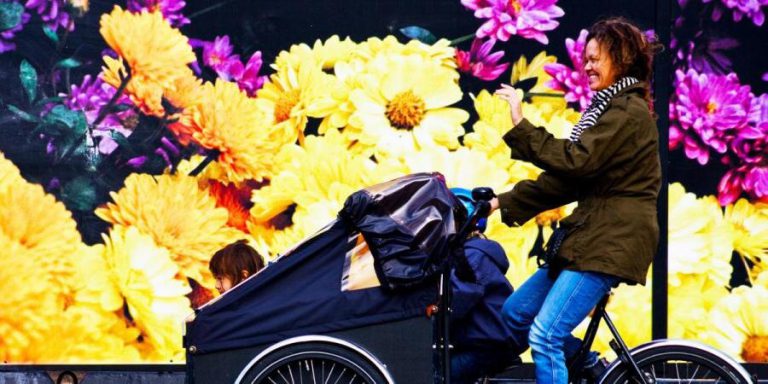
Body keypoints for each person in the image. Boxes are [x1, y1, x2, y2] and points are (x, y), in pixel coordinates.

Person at [490, 17, 662, 384]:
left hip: (611, 240)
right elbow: (567, 181)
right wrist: (498, 203)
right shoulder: (607, 111)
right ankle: (591, 366)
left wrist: (521, 124)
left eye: (596, 59)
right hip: (591, 236)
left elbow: (575, 160)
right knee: (515, 315)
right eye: (585, 59)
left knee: (544, 335)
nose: (586, 67)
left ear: (621, 57)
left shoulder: (626, 112)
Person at [449, 188, 522, 384]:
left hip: (488, 343)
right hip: (489, 338)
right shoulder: (475, 250)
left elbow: (457, 301)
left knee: (437, 375)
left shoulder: (470, 256)